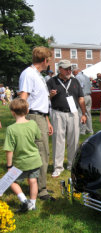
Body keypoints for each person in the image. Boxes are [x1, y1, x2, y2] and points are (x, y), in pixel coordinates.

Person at [19, 46, 54, 201]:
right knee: (41, 153)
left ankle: (41, 185)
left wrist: (47, 121)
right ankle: (41, 190)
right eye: (49, 61)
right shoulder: (28, 74)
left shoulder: (37, 75)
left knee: (44, 152)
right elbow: (23, 99)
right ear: (45, 60)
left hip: (41, 117)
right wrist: (21, 120)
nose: (49, 64)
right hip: (33, 117)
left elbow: (41, 100)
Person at [47, 60, 87, 178]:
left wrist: (84, 114)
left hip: (73, 113)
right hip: (58, 113)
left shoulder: (75, 81)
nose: (69, 70)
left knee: (74, 140)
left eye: (70, 68)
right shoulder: (51, 81)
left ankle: (72, 165)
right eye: (66, 69)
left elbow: (81, 98)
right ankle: (58, 167)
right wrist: (51, 95)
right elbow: (45, 98)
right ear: (60, 69)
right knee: (58, 140)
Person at [3, 98, 42, 212]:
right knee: (33, 181)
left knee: (10, 180)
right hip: (35, 160)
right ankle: (33, 204)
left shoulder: (11, 129)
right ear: (27, 111)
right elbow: (38, 136)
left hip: (21, 163)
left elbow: (9, 150)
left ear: (12, 112)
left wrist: (9, 166)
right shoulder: (33, 123)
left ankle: (24, 201)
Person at [73, 68, 93, 135]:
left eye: (73, 73)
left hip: (82, 97)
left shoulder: (77, 77)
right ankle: (90, 130)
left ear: (76, 72)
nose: (73, 74)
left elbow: (76, 89)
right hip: (89, 96)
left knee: (81, 114)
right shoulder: (87, 77)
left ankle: (82, 130)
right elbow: (91, 87)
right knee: (88, 114)